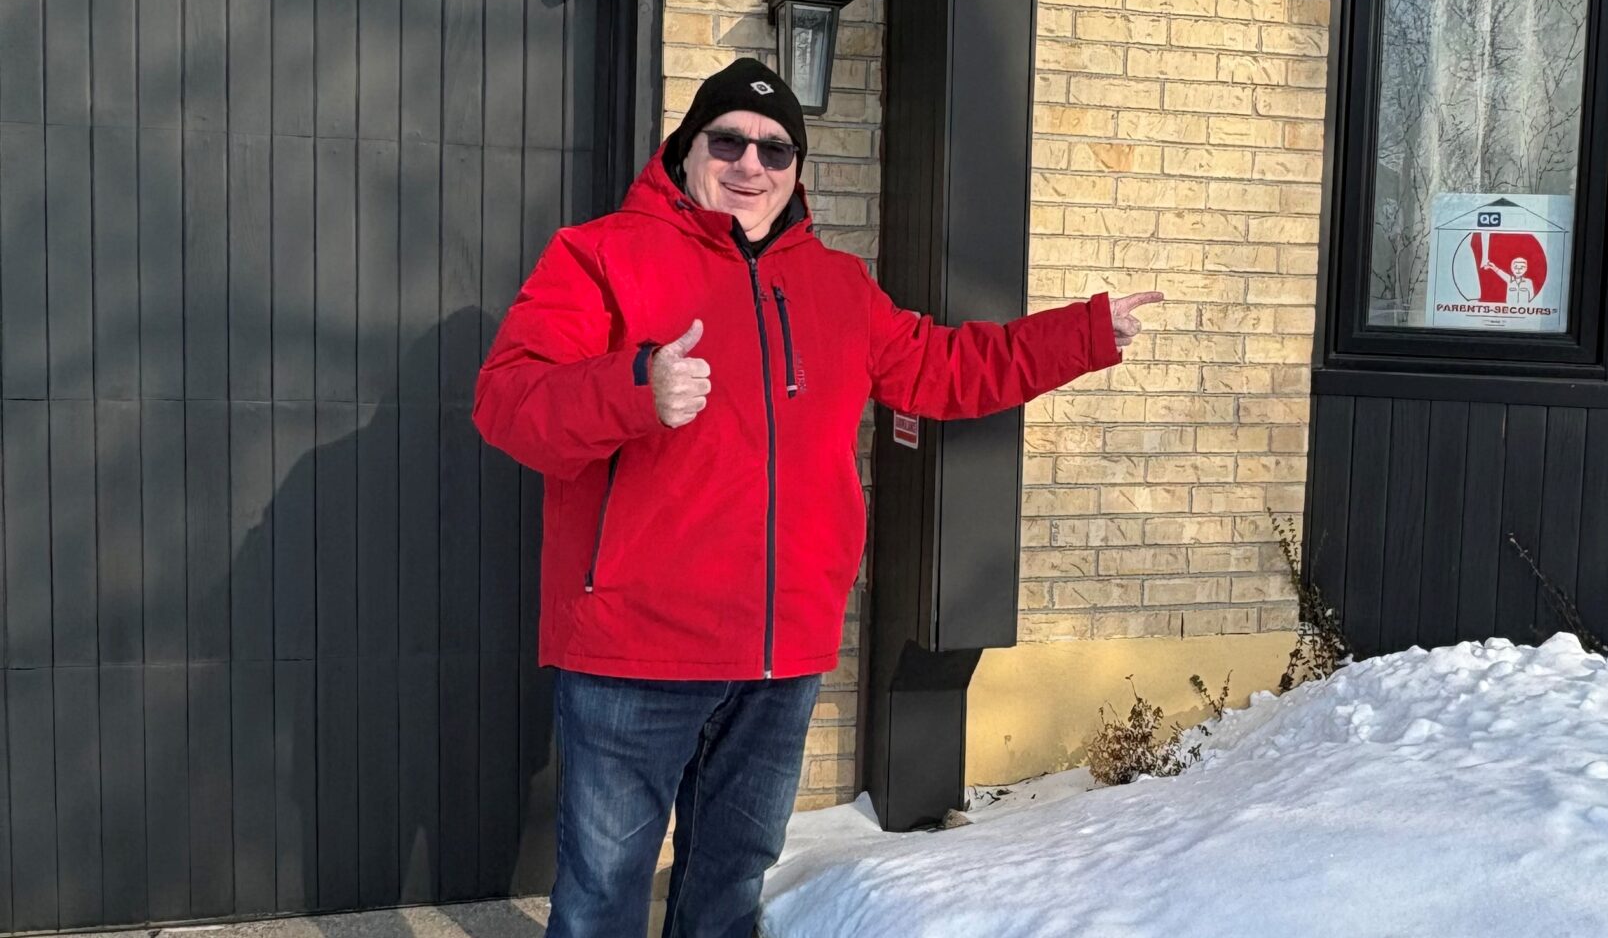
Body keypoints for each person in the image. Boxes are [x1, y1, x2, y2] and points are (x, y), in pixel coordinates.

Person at [472, 57, 1161, 938]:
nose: (750, 164)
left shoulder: (837, 287)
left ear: (797, 171)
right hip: (633, 652)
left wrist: (1085, 332)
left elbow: (949, 368)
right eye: (728, 141)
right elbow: (507, 402)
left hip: (780, 653)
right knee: (603, 895)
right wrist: (634, 389)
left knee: (727, 887)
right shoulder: (598, 256)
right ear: (687, 150)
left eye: (775, 150)